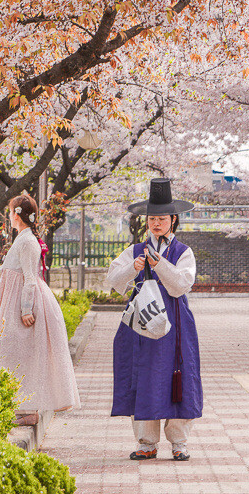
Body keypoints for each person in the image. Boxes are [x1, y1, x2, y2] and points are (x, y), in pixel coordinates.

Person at [105, 178, 202, 461]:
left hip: (175, 321)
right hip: (142, 322)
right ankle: (146, 442)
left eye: (161, 218)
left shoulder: (184, 252)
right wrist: (131, 269)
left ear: (173, 219)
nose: (156, 223)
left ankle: (179, 442)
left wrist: (159, 265)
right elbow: (113, 279)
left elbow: (182, 284)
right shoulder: (135, 251)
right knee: (143, 374)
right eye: (152, 218)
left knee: (178, 374)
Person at [0, 193, 80, 417]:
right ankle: (20, 405)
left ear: (16, 216)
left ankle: (26, 406)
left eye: (10, 211)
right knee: (14, 352)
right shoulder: (23, 239)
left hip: (24, 302)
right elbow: (13, 273)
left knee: (17, 352)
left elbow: (29, 279)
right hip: (15, 299)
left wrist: (26, 310)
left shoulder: (27, 242)